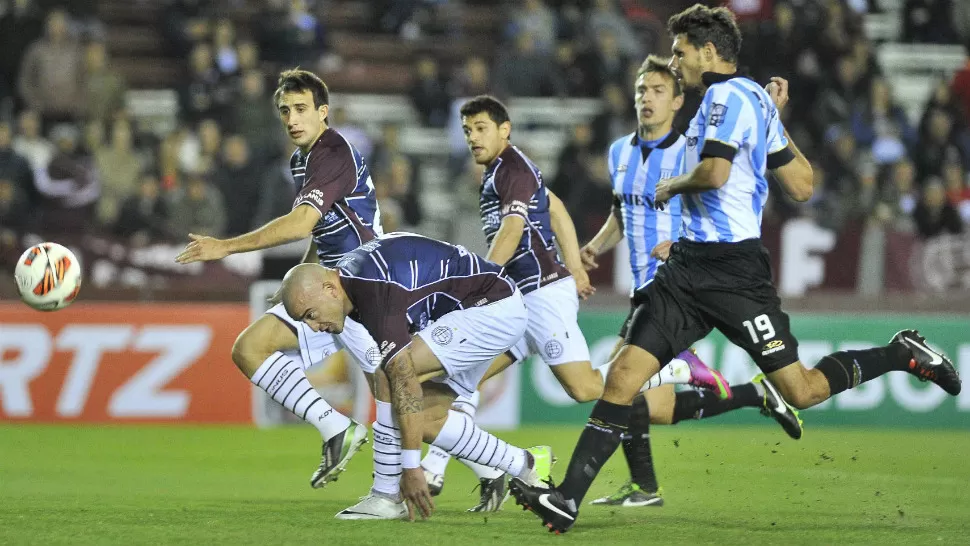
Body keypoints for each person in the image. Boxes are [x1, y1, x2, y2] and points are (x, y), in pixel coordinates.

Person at [509, 5, 962, 533]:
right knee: (624, 379)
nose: (674, 62)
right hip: (685, 272)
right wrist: (772, 121)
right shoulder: (737, 101)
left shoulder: (727, 97)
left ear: (707, 51)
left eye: (680, 52)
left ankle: (900, 352)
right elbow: (802, 184)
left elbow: (719, 173)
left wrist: (674, 185)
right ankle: (566, 498)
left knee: (803, 390)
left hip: (734, 275)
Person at [417, 94, 734, 512]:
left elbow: (513, 230)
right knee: (455, 378)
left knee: (584, 387)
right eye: (467, 131)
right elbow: (557, 207)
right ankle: (456, 468)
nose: (473, 138)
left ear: (504, 129)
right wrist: (576, 265)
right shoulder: (502, 171)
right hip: (519, 300)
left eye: (481, 129)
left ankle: (675, 366)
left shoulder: (511, 168)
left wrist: (478, 284)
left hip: (540, 295)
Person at [577, 54, 805, 508]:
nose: (647, 98)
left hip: (677, 283)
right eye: (642, 89)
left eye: (658, 91)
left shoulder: (692, 152)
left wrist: (678, 242)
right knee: (653, 408)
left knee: (619, 389)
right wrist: (594, 248)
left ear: (679, 100)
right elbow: (623, 210)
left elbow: (717, 200)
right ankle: (750, 394)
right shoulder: (619, 151)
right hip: (643, 283)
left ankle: (642, 487)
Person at [175, 69, 383, 491]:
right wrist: (300, 278)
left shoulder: (334, 150)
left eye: (302, 109)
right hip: (328, 293)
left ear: (323, 112)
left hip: (369, 289)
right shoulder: (300, 159)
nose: (292, 118)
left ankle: (509, 464)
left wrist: (226, 246)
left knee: (408, 401)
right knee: (250, 348)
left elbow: (300, 222)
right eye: (285, 110)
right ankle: (336, 429)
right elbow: (319, 231)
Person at [277, 233, 554, 521]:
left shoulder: (372, 288)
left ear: (329, 289)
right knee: (426, 420)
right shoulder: (354, 282)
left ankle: (386, 496)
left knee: (388, 375)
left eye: (310, 314)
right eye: (305, 320)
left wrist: (411, 469)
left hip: (488, 309)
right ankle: (527, 464)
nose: (313, 325)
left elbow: (403, 376)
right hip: (484, 308)